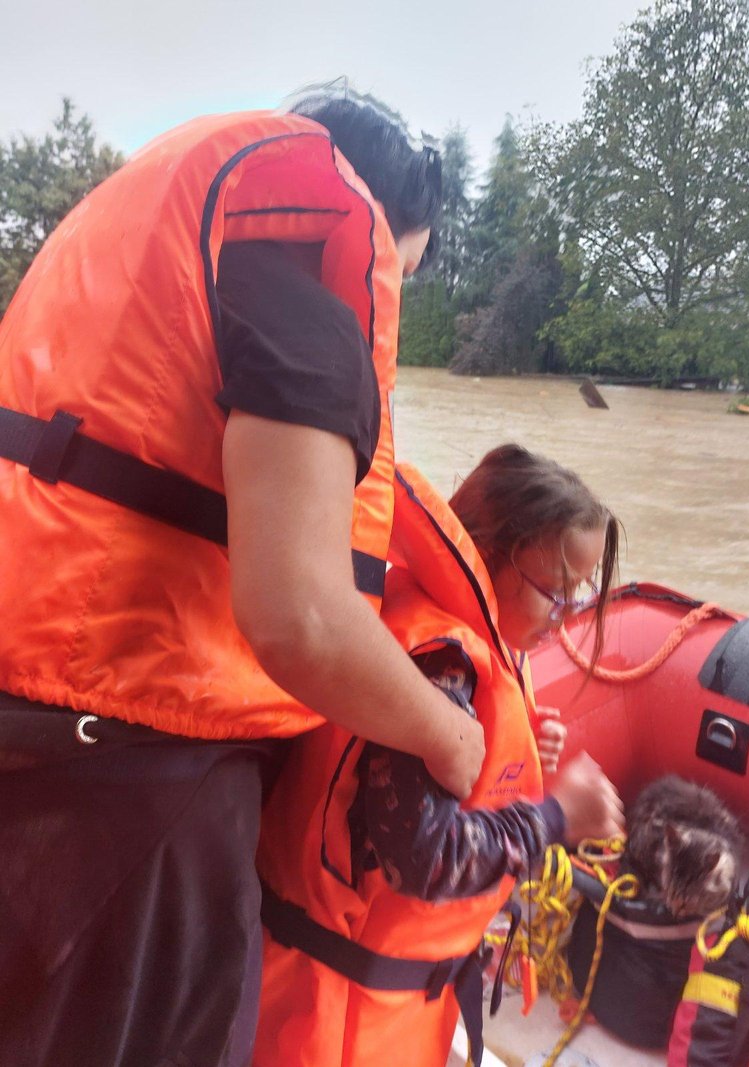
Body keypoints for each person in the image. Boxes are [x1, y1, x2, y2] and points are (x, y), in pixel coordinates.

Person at [0, 88, 483, 1066]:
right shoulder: (308, 243)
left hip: (38, 730)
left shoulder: (147, 227)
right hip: (143, 786)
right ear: (378, 225)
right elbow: (300, 614)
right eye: (404, 268)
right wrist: (451, 735)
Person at [255, 444, 626, 1067]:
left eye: (576, 600)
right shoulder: (441, 670)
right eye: (553, 595)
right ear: (485, 552)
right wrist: (558, 817)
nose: (563, 623)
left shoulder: (456, 641)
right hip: (341, 1016)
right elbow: (426, 860)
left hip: (389, 999)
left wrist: (518, 754)